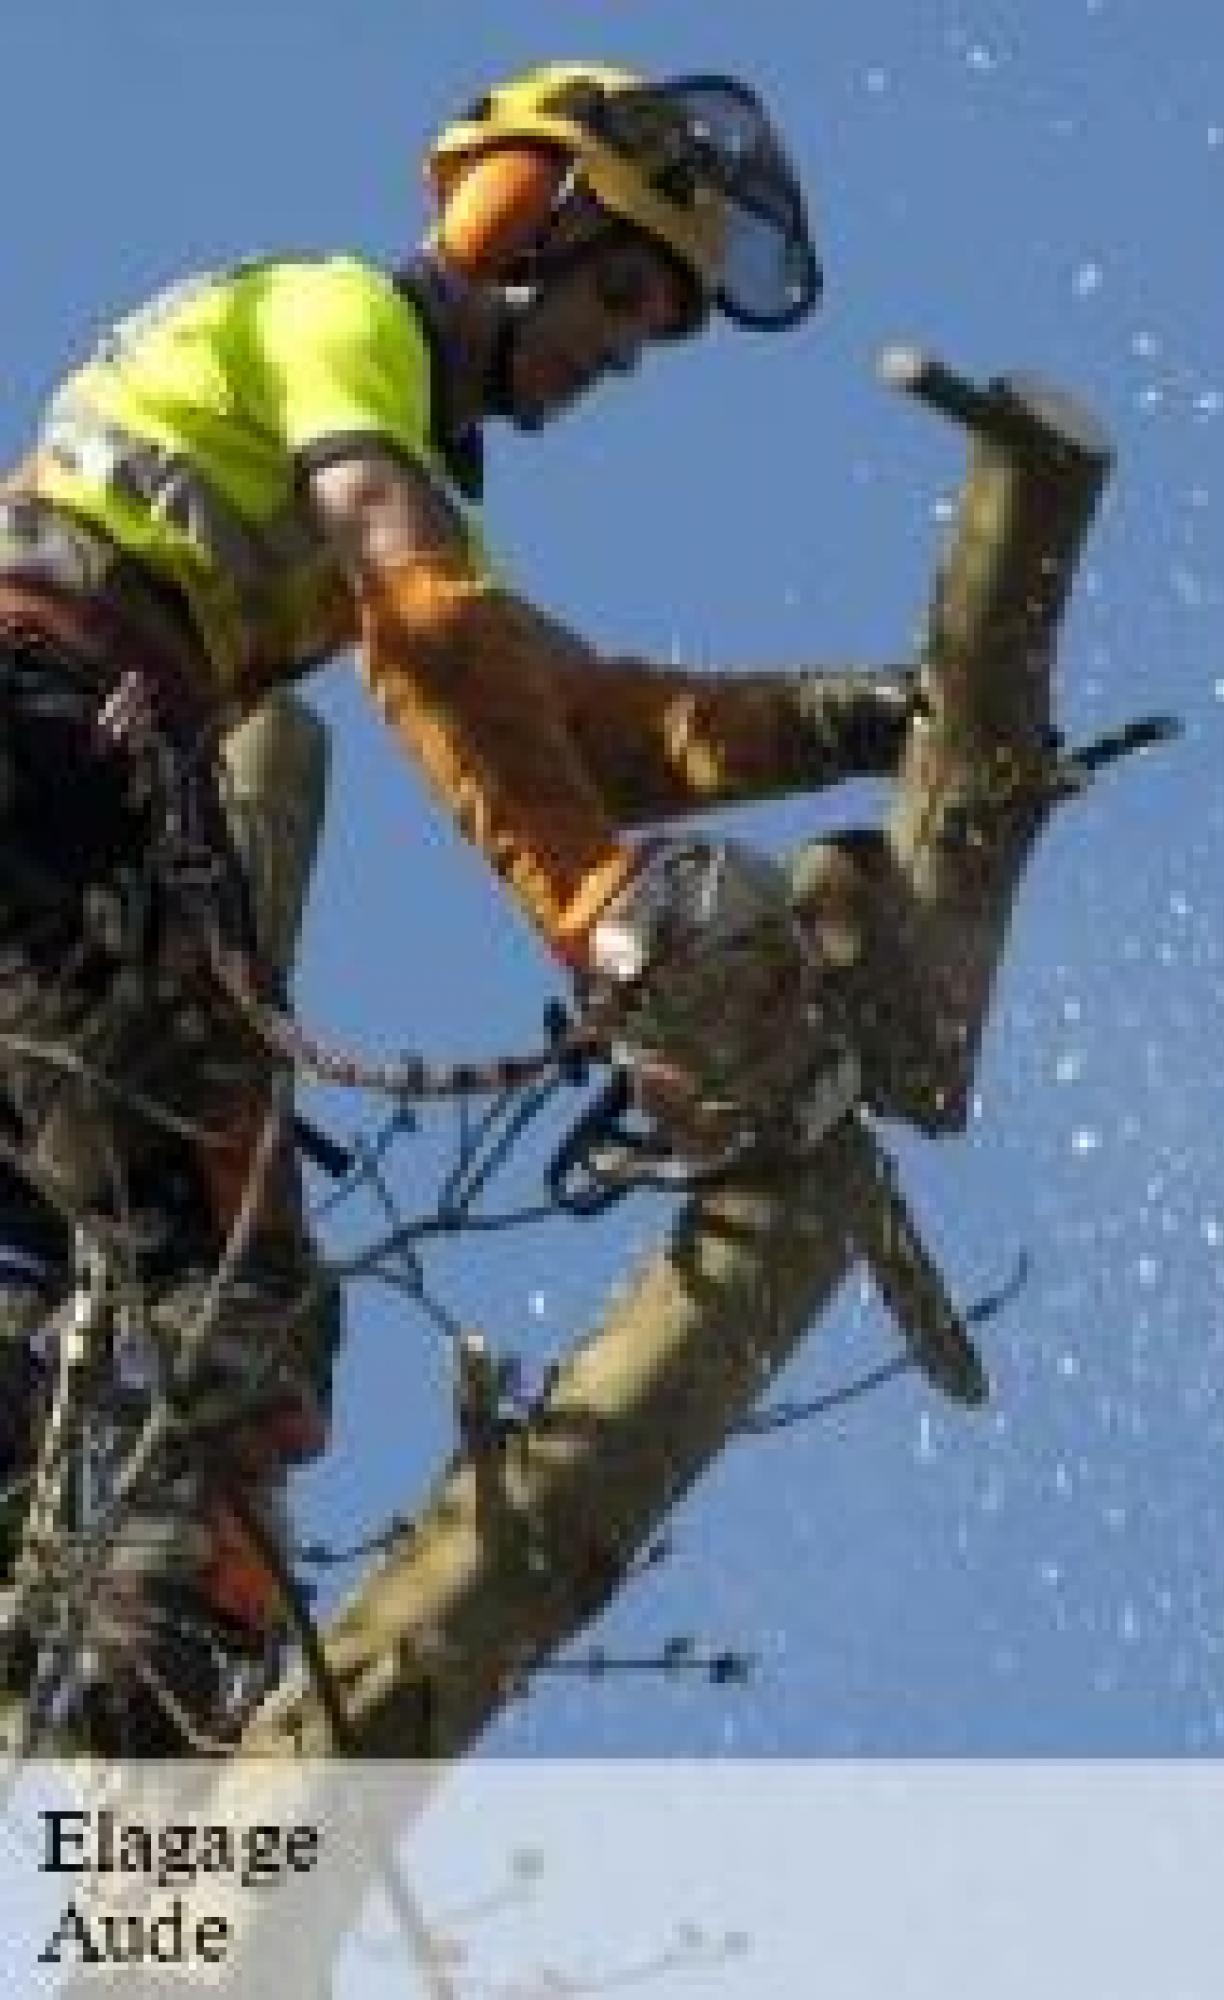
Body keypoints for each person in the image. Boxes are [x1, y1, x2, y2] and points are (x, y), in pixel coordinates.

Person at [0, 61, 914, 1748]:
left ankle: (64, 1677)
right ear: (512, 216)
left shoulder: (368, 440)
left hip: (56, 788)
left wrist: (844, 721)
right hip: (51, 771)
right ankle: (141, 1756)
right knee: (233, 1297)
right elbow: (429, 630)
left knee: (44, 1303)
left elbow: (570, 718)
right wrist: (602, 919)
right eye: (619, 292)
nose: (615, 352)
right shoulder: (342, 323)